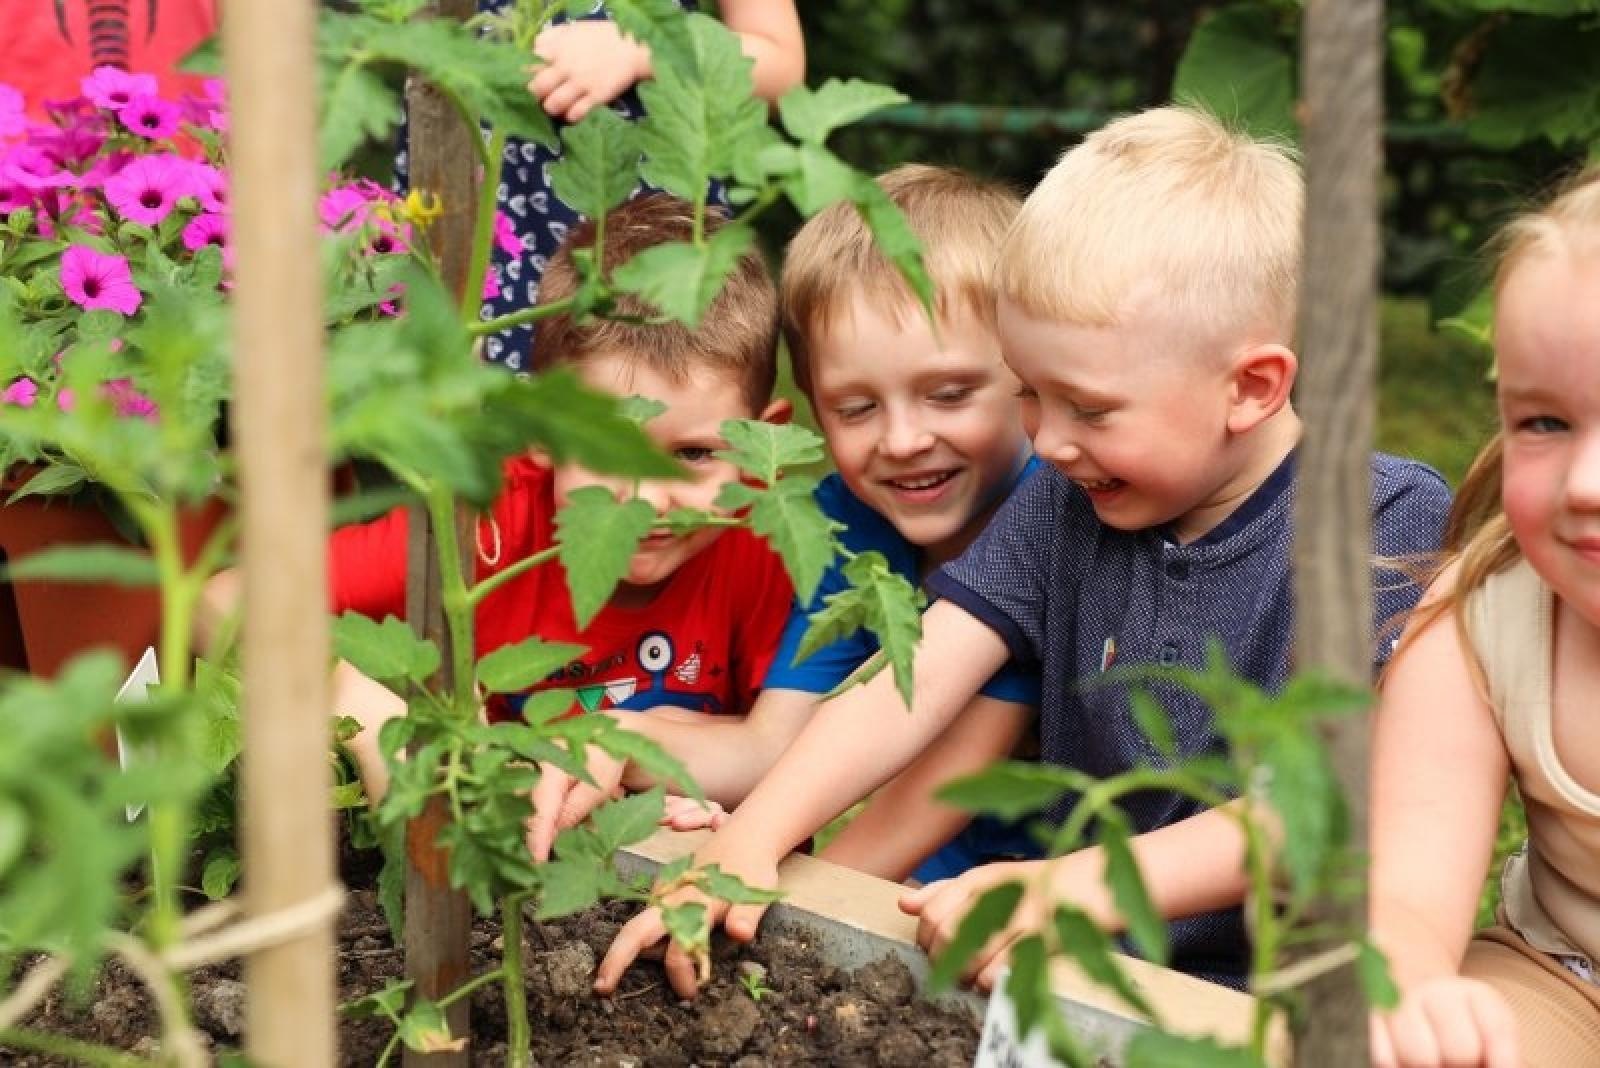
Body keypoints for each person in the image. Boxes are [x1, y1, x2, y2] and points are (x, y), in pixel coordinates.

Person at [590, 105, 1453, 1000]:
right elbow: (910, 689)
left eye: (1087, 407)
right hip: (1080, 966)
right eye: (1030, 394)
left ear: (1252, 387)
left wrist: (1062, 889)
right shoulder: (1066, 498)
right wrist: (750, 839)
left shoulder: (1379, 521)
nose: (1044, 443)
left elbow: (1316, 811)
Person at [526, 163, 1046, 884]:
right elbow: (777, 743)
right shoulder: (844, 519)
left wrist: (761, 888)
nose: (901, 440)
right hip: (921, 885)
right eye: (856, 408)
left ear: (1032, 370)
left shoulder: (1055, 511)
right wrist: (628, 739)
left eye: (949, 394)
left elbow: (952, 774)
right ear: (810, 401)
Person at [199, 193, 795, 799]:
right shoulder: (490, 518)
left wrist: (645, 750)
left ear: (761, 441)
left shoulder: (768, 546)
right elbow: (222, 605)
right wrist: (351, 696)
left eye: (693, 454)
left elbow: (789, 753)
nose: (646, 500)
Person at [1369, 169, 1600, 1068]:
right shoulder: (1487, 620)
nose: (1585, 485)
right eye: (1544, 423)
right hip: (1564, 979)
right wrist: (1412, 988)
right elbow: (1408, 898)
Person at [473, 0, 804, 369]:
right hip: (474, 219)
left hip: (644, 231)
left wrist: (638, 48)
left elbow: (782, 68)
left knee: (649, 398)